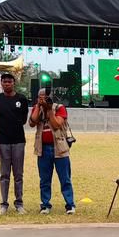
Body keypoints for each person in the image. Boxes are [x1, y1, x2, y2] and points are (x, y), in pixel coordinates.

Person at [29, 85, 76, 214]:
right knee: (44, 179)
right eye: (40, 97)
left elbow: (56, 125)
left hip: (60, 149)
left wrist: (49, 110)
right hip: (42, 149)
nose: (43, 99)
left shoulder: (59, 108)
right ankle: (45, 205)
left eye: (45, 97)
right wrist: (38, 106)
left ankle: (70, 205)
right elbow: (32, 122)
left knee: (65, 179)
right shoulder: (37, 108)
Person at [0, 71, 29, 214]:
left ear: (14, 83)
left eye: (9, 82)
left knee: (18, 174)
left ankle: (19, 203)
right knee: (4, 174)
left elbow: (24, 120)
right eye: (4, 82)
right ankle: (3, 204)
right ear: (1, 83)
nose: (7, 84)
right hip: (3, 141)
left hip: (19, 141)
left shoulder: (22, 99)